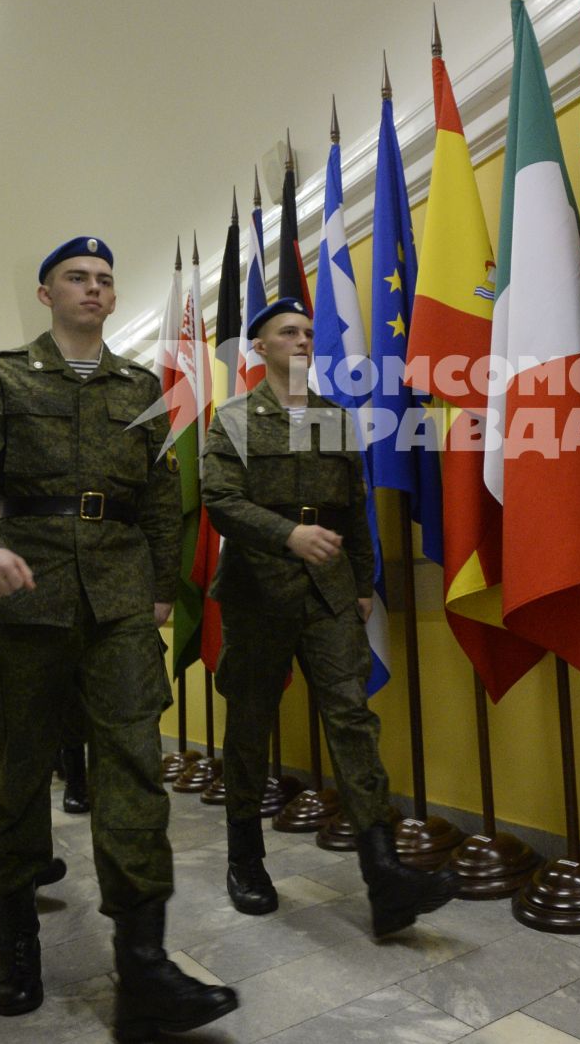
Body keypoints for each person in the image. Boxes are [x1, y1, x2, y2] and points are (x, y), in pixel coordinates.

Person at [0, 236, 237, 1034]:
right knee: (16, 768)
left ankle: (143, 962)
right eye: (78, 277)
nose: (94, 288)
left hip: (120, 601)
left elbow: (165, 492)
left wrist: (167, 588)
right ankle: (17, 939)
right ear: (47, 294)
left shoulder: (140, 387)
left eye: (105, 278)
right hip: (24, 593)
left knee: (135, 766)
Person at [202, 296, 458, 938]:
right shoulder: (233, 419)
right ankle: (245, 862)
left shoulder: (334, 418)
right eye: (287, 331)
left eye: (308, 331)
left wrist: (365, 580)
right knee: (250, 724)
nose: (303, 339)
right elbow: (220, 502)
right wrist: (288, 536)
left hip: (330, 592)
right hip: (258, 593)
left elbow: (354, 504)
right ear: (258, 348)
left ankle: (385, 876)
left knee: (352, 720)